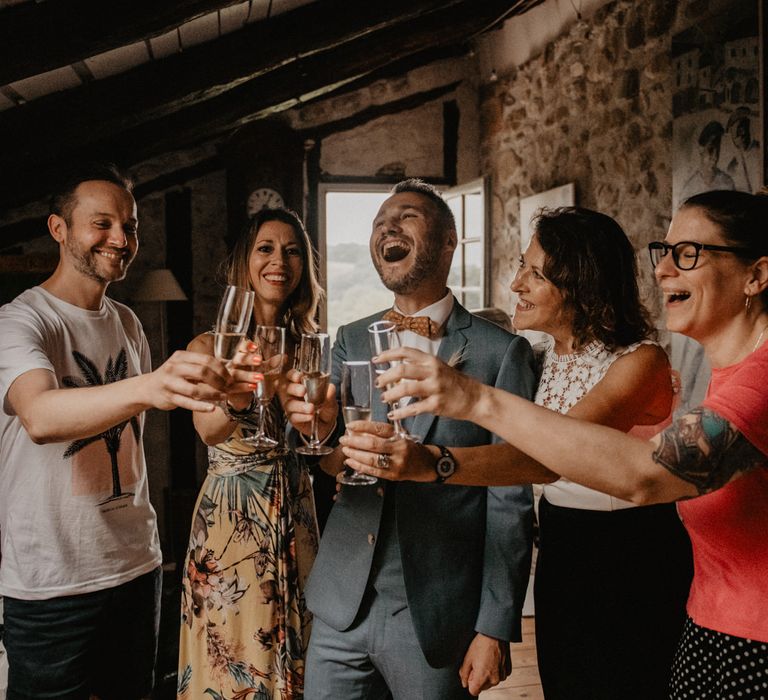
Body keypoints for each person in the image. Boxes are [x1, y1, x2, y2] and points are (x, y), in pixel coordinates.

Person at [370, 190, 768, 699]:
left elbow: (648, 473)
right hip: (706, 629)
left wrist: (462, 420)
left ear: (755, 276)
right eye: (662, 252)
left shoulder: (746, 380)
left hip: (747, 643)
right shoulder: (728, 377)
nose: (664, 270)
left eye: (688, 253)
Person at [285, 178, 537, 699]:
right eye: (380, 221)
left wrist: (494, 625)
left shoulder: (499, 353)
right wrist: (321, 427)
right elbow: (334, 464)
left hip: (435, 615)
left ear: (449, 241)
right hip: (340, 604)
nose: (387, 227)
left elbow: (511, 498)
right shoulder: (350, 337)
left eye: (406, 217)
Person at [0, 162, 232, 700]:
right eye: (101, 223)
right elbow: (39, 415)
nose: (120, 239)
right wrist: (152, 386)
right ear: (59, 229)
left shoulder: (127, 322)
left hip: (136, 565)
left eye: (129, 226)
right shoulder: (21, 320)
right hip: (52, 582)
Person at [177, 208, 322, 699]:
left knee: (305, 655)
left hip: (298, 512)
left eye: (292, 250)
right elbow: (209, 432)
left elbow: (318, 440)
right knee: (234, 663)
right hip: (233, 520)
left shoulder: (310, 346)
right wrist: (250, 391)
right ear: (245, 261)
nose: (279, 260)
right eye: (266, 248)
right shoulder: (207, 347)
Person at [678, 120, 735, 206]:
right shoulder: (689, 190)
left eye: (718, 150)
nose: (715, 157)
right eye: (711, 150)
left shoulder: (727, 183)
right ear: (701, 149)